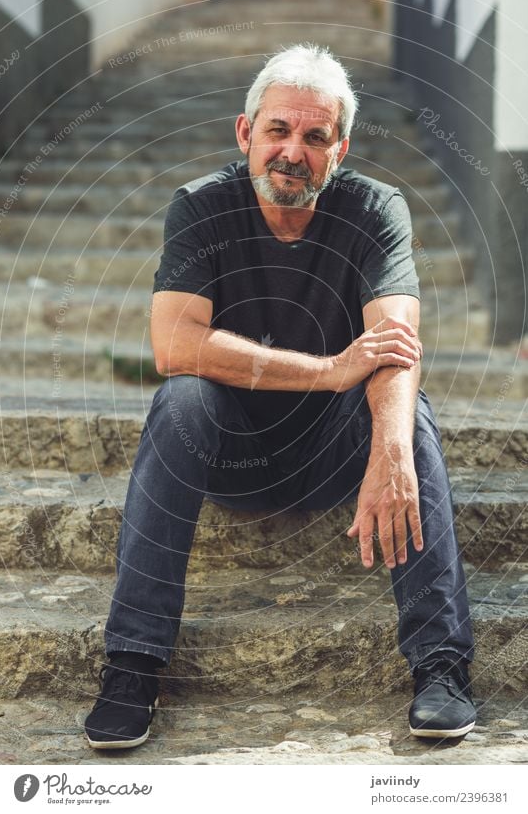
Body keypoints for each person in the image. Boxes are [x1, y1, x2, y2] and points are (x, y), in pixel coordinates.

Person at [84, 44, 476, 750]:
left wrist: (388, 450)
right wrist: (330, 369)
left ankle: (441, 665)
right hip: (229, 454)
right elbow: (175, 346)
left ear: (340, 149)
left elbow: (394, 346)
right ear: (245, 133)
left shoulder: (374, 209)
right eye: (278, 130)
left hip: (333, 456)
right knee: (178, 403)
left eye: (315, 136)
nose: (293, 151)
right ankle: (132, 664)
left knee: (406, 419)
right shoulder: (201, 207)